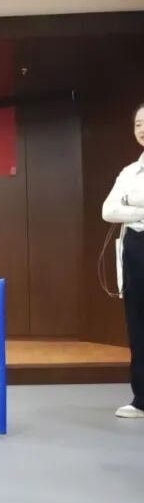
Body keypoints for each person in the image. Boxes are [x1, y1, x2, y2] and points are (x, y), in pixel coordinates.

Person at [100, 102, 144, 419]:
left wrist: (130, 203)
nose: (142, 129)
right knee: (138, 322)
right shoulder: (129, 172)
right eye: (138, 124)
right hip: (135, 247)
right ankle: (141, 399)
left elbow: (121, 207)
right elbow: (108, 210)